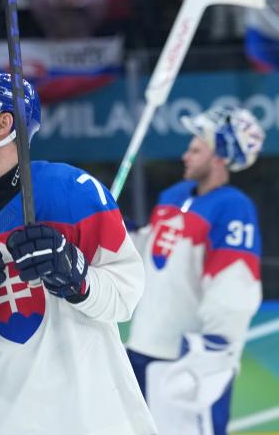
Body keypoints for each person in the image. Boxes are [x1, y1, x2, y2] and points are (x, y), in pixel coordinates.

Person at [0, 73, 157, 435]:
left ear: (3, 124)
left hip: (92, 417)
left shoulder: (74, 193)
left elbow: (127, 298)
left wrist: (80, 279)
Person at [126, 106, 265, 435]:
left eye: (196, 149)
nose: (186, 155)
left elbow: (235, 276)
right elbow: (151, 252)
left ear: (219, 157)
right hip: (143, 345)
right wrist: (119, 233)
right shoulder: (173, 196)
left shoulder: (233, 206)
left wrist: (217, 343)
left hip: (187, 358)